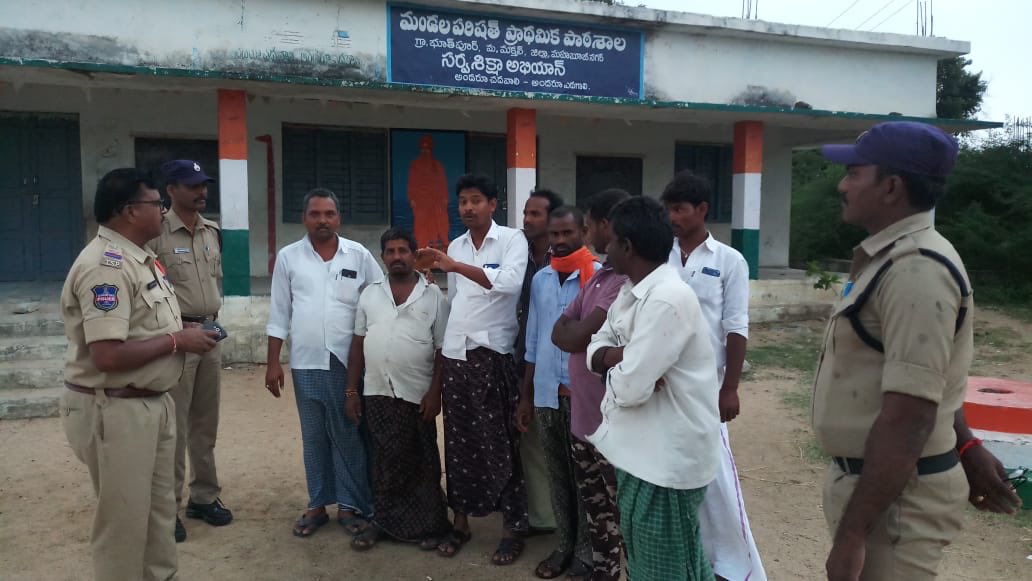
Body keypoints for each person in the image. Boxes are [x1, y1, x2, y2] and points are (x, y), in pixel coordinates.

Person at [813, 121, 984, 580]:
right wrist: (968, 444)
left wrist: (852, 535)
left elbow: (909, 415)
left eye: (854, 173)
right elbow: (929, 378)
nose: (841, 184)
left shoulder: (916, 271)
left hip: (897, 499)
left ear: (891, 187)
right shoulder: (889, 259)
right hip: (880, 488)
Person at [60, 168, 218, 581]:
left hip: (149, 403)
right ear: (130, 211)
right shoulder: (105, 266)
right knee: (125, 523)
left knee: (159, 514)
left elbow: (144, 329)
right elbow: (107, 355)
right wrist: (178, 343)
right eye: (157, 204)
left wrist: (181, 334)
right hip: (116, 408)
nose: (164, 212)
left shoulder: (140, 258)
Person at [587, 196, 720, 581]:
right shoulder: (632, 291)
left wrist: (619, 365)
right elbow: (594, 349)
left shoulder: (666, 299)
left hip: (666, 462)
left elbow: (628, 389)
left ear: (626, 247)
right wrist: (622, 357)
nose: (605, 247)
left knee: (664, 569)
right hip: (642, 455)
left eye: (610, 241)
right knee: (678, 563)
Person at [417, 174, 530, 565]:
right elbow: (457, 303)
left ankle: (513, 527)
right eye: (462, 201)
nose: (467, 208)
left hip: (493, 355)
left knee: (501, 443)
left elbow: (510, 285)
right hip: (457, 356)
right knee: (460, 444)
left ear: (492, 204)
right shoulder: (456, 245)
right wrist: (438, 273)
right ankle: (461, 522)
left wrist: (454, 265)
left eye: (475, 200)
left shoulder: (513, 240)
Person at [663, 171, 766, 581]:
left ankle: (737, 567)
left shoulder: (729, 260)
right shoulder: (661, 255)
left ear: (702, 210)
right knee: (672, 473)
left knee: (715, 476)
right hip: (664, 382)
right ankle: (690, 558)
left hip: (707, 386)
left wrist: (731, 388)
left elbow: (735, 327)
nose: (672, 217)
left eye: (679, 209)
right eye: (668, 209)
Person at [264, 188, 383, 538]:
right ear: (305, 218)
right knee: (314, 436)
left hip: (347, 363)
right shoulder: (289, 257)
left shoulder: (358, 255)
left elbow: (379, 296)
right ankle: (317, 504)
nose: (322, 220)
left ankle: (350, 504)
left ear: (339, 218)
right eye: (315, 214)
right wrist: (273, 362)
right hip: (305, 361)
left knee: (347, 432)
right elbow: (279, 312)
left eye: (329, 214)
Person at [344, 228, 452, 551]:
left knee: (423, 462)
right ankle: (383, 523)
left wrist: (436, 394)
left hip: (417, 395)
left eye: (403, 251)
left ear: (414, 254)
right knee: (385, 462)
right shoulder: (369, 294)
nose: (396, 257)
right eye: (389, 252)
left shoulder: (434, 297)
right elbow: (357, 344)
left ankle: (432, 526)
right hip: (377, 392)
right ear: (382, 258)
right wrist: (352, 391)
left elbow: (441, 350)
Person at [148, 159, 232, 543]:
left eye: (204, 185)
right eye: (192, 185)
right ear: (170, 189)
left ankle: (204, 497)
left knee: (204, 425)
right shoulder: (156, 234)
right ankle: (168, 508)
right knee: (175, 429)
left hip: (210, 334)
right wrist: (175, 330)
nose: (202, 191)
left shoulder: (211, 232)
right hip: (177, 338)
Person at [551, 188, 631, 581]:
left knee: (621, 510)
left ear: (605, 226)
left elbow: (580, 332)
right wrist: (574, 332)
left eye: (587, 227)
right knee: (596, 508)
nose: (585, 235)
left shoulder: (625, 285)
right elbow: (560, 331)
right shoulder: (600, 278)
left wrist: (574, 332)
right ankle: (604, 571)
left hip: (610, 421)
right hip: (583, 417)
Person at [517, 206, 599, 579]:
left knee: (587, 479)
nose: (561, 241)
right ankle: (564, 544)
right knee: (557, 475)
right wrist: (526, 395)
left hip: (586, 397)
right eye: (554, 235)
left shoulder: (598, 277)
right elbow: (534, 340)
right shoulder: (542, 280)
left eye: (568, 233)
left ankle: (587, 549)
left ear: (584, 231)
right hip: (548, 393)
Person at [516, 188, 565, 536]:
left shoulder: (561, 259)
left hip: (551, 361)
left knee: (555, 440)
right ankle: (538, 513)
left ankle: (556, 516)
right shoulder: (514, 251)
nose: (527, 220)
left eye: (536, 214)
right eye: (526, 213)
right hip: (515, 354)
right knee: (526, 437)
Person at [407, 135, 451, 248]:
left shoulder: (437, 165)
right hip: (421, 201)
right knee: (421, 224)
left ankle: (440, 243)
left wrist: (445, 198)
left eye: (427, 148)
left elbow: (443, 183)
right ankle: (421, 246)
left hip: (436, 201)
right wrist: (412, 198)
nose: (425, 151)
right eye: (423, 148)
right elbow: (412, 182)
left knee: (440, 221)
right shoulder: (415, 165)